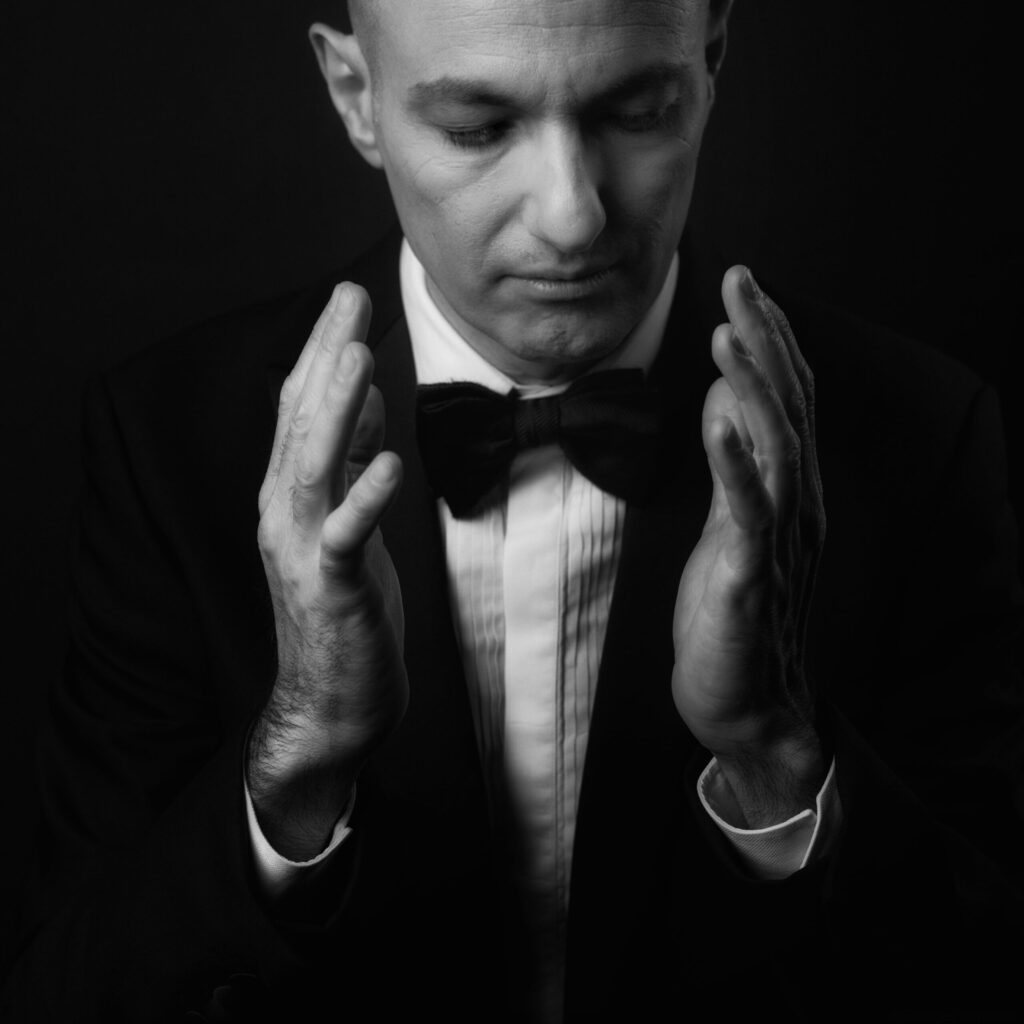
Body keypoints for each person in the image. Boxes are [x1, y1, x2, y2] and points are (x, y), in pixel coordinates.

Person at [4, 1, 1022, 1021]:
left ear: (710, 61)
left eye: (636, 110)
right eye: (479, 128)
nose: (573, 217)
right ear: (355, 95)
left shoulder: (921, 440)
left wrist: (776, 752)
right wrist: (299, 754)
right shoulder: (169, 442)